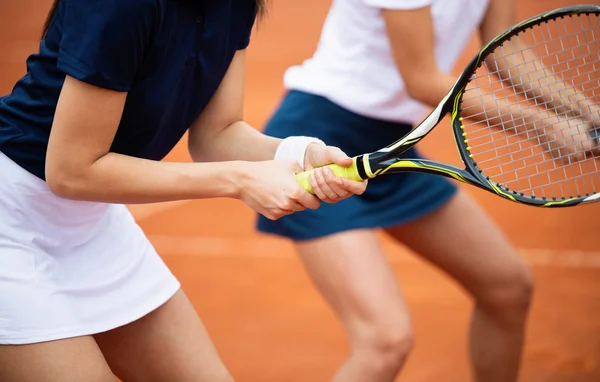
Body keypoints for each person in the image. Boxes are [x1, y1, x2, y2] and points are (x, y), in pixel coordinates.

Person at [0, 0, 366, 381]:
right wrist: (240, 179)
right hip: (9, 219)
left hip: (91, 221)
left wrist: (301, 153)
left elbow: (216, 135)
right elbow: (72, 172)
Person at [256, 1, 540, 382]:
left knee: (508, 286)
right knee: (384, 341)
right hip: (318, 142)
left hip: (391, 146)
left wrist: (584, 114)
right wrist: (544, 126)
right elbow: (421, 80)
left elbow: (508, 50)